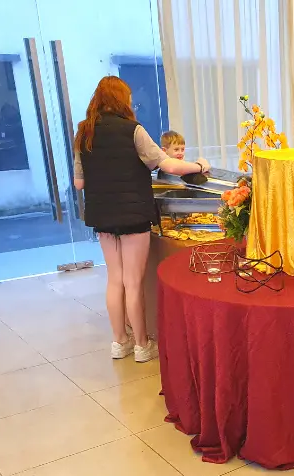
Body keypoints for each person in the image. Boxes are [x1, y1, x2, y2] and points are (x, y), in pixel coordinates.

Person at [73, 76, 211, 362]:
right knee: (134, 282)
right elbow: (168, 164)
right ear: (122, 99)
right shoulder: (133, 130)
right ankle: (141, 345)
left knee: (115, 280)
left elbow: (79, 183)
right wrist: (199, 165)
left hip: (103, 215)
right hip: (134, 214)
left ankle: (118, 342)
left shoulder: (83, 133)